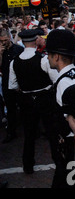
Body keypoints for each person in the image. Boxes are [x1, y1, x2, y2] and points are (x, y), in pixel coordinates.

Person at [8, 29, 59, 174]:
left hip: (26, 99)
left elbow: (12, 85)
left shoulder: (14, 62)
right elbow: (55, 78)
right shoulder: (43, 59)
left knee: (29, 134)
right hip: (44, 97)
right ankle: (58, 160)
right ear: (36, 40)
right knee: (51, 131)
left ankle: (28, 164)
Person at [46, 29, 75, 188]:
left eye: (49, 54)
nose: (48, 58)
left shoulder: (64, 83)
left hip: (73, 147)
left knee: (73, 183)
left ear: (56, 56)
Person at [1, 28, 24, 143]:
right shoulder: (1, 51)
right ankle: (11, 132)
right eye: (1, 41)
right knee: (10, 109)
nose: (3, 43)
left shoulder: (19, 49)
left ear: (9, 38)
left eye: (4, 40)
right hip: (6, 84)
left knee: (24, 107)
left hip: (19, 83)